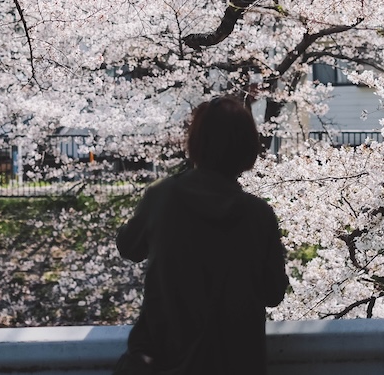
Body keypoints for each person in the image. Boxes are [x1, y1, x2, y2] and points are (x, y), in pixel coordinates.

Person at [115, 95, 288, 375]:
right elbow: (274, 292)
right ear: (248, 148)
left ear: (195, 143)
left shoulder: (162, 197)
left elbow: (128, 247)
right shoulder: (259, 215)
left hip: (165, 358)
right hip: (237, 362)